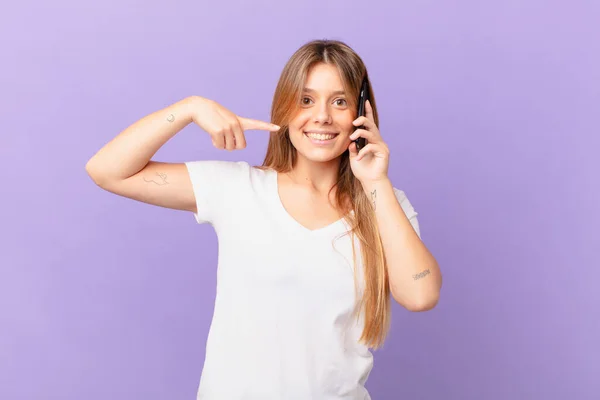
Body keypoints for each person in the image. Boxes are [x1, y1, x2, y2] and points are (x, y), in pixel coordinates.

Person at [86, 39, 442, 400]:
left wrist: (375, 182)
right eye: (306, 100)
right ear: (285, 109)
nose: (322, 116)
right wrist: (189, 108)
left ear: (360, 114)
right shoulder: (238, 189)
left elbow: (420, 294)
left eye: (339, 101)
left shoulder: (383, 203)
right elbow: (107, 171)